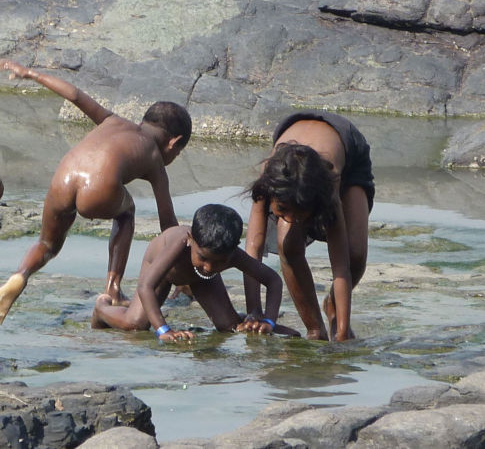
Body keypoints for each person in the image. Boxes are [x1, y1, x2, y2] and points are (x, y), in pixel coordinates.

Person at [0, 59, 192, 324]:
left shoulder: (112, 120)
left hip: (63, 176)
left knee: (47, 244)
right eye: (178, 153)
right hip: (98, 188)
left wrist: (30, 73)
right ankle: (113, 288)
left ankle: (19, 276)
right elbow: (168, 226)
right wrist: (184, 275)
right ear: (174, 142)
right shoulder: (155, 158)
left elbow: (75, 95)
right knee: (127, 213)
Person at [241, 111, 374, 342]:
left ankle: (333, 307)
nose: (292, 219)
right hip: (293, 167)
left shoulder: (329, 180)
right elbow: (253, 251)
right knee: (287, 242)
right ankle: (315, 328)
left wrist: (343, 331)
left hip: (348, 155)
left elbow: (341, 266)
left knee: (356, 254)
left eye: (300, 213)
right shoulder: (268, 180)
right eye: (283, 210)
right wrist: (254, 311)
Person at [91, 204, 299, 341]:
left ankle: (256, 323)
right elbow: (145, 286)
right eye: (203, 257)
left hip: (200, 280)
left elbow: (273, 281)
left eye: (219, 262)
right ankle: (102, 308)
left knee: (230, 326)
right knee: (136, 324)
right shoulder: (180, 243)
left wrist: (268, 321)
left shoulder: (230, 254)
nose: (209, 266)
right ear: (191, 240)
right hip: (164, 272)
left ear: (232, 250)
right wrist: (163, 330)